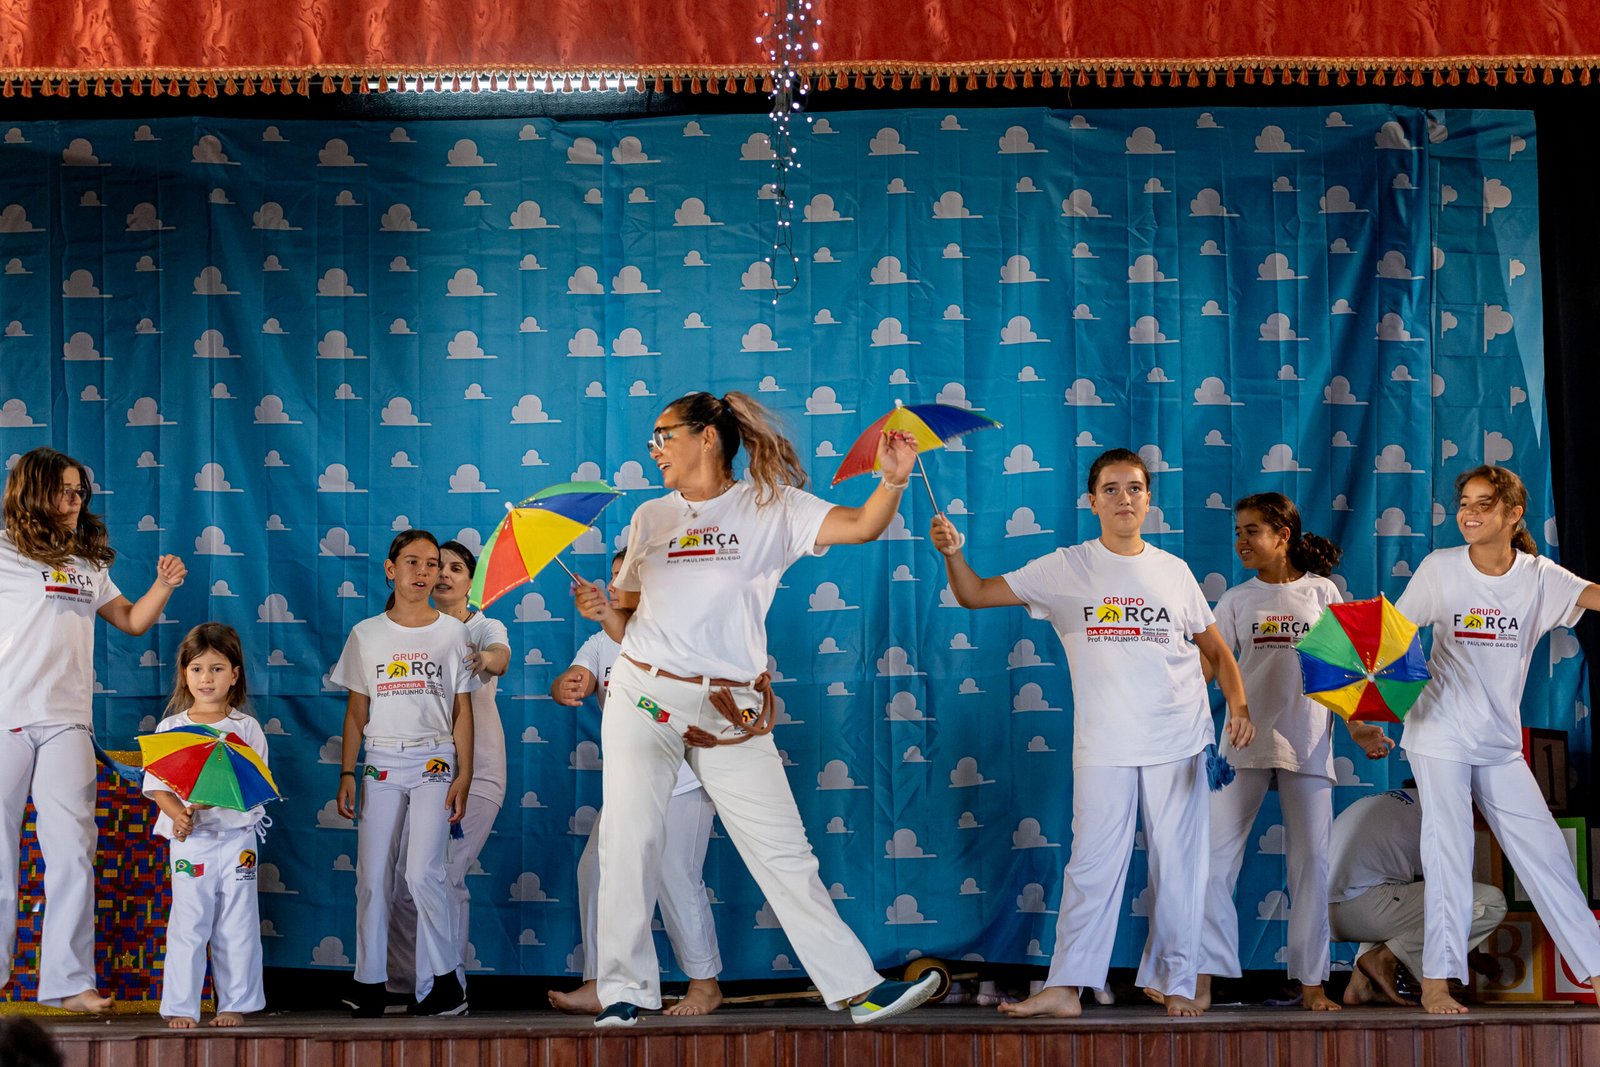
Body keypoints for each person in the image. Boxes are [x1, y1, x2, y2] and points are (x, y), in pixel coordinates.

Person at [573, 390, 939, 1027]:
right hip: (644, 693)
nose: (654, 449)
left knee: (784, 852)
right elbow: (629, 613)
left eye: (664, 435)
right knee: (628, 841)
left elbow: (861, 526)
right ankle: (623, 993)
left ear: (707, 436)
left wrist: (893, 480)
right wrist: (603, 608)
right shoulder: (650, 517)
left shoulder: (772, 506)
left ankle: (857, 988)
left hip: (729, 706)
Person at [931, 447, 1254, 1018]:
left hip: (1179, 737)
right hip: (1104, 741)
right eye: (1111, 489)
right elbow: (974, 593)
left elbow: (1218, 651)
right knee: (1091, 864)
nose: (1124, 498)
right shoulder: (1066, 568)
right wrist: (954, 554)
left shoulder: (1173, 571)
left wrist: (1240, 707)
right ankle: (1066, 987)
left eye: (1134, 488)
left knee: (1180, 867)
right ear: (1092, 501)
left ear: (1148, 500)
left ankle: (1179, 982)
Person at [1397, 464, 1600, 1014]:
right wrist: (1360, 717)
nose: (1468, 512)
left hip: (1498, 741)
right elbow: (1390, 639)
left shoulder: (1539, 577)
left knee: (1546, 852)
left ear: (1513, 514)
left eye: (1483, 503)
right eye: (1464, 502)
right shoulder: (1440, 568)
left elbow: (1593, 596)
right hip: (1438, 730)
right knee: (1448, 850)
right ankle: (1437, 980)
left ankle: (1596, 969)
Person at [0, 447, 186, 1013]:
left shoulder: (87, 561)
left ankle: (67, 982)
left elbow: (130, 620)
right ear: (34, 492)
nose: (74, 499)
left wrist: (163, 585)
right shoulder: (3, 550)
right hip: (6, 717)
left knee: (74, 849)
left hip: (68, 722)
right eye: (63, 489)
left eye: (79, 490)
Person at [1192, 493, 1393, 1011]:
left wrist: (1358, 728)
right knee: (1214, 865)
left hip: (1307, 744)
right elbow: (1206, 669)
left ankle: (1312, 985)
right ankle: (1200, 981)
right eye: (1237, 532)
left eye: (1252, 531)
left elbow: (1343, 673)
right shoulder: (1235, 600)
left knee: (1313, 868)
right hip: (1242, 745)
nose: (1241, 541)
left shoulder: (1323, 592)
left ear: (1283, 535)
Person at [549, 550, 723, 1017]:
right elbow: (576, 676)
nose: (614, 585)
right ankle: (602, 982)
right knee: (596, 870)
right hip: (629, 783)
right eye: (612, 577)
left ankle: (705, 984)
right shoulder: (598, 642)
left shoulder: (678, 633)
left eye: (625, 577)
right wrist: (567, 685)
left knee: (675, 873)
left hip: (684, 779)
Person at [332, 530, 477, 1017]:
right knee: (372, 876)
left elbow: (461, 710)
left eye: (432, 564)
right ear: (391, 569)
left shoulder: (453, 633)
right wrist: (347, 771)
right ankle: (369, 983)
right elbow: (357, 710)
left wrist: (464, 774)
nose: (423, 571)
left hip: (434, 759)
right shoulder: (366, 634)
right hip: (379, 760)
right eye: (412, 562)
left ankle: (447, 984)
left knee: (423, 872)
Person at [386, 540, 511, 1006]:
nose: (443, 575)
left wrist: (482, 658)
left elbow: (500, 656)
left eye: (456, 568)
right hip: (424, 774)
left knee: (444, 873)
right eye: (438, 566)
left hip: (478, 774)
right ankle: (407, 983)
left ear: (470, 581)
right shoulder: (414, 630)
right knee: (407, 879)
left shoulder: (484, 626)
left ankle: (446, 987)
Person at [144, 623, 269, 1028]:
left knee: (238, 921)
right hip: (191, 841)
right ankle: (181, 1007)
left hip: (237, 840)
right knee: (189, 921)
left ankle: (234, 1003)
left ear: (234, 675)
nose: (206, 678)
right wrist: (179, 814)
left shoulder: (246, 728)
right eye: (197, 669)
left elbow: (253, 786)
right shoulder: (171, 729)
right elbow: (158, 786)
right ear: (185, 674)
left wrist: (211, 798)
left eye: (217, 669)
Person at [1328, 786, 1507, 1006]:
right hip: (1366, 909)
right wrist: (1476, 959)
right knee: (1490, 902)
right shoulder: (1441, 811)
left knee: (1394, 890)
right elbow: (1453, 897)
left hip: (1324, 921)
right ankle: (1385, 958)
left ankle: (1359, 986)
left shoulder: (1387, 801)